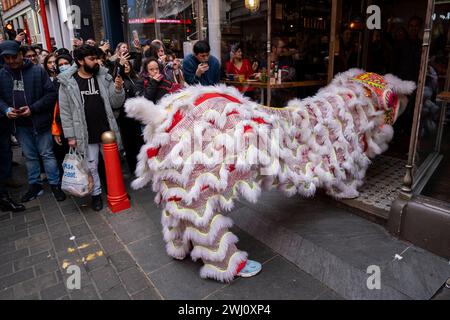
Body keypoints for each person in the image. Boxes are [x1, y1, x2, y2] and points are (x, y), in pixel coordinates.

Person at [58, 44, 125, 211]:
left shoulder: (103, 76)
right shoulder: (68, 82)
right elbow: (65, 111)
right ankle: (96, 194)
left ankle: (116, 191)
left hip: (106, 128)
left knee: (113, 163)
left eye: (97, 58)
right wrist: (70, 136)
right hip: (85, 133)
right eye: (92, 59)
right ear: (80, 61)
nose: (97, 62)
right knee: (92, 166)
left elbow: (116, 102)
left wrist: (117, 88)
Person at [0, 40, 66, 203]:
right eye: (6, 58)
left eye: (13, 57)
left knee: (47, 154)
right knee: (30, 157)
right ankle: (35, 186)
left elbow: (51, 95)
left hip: (40, 121)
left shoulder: (37, 71)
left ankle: (55, 184)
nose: (10, 61)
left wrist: (33, 108)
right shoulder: (2, 74)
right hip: (20, 125)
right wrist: (6, 110)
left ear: (21, 54)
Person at [116, 60, 144, 174]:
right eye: (124, 65)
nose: (126, 66)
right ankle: (134, 168)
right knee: (129, 143)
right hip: (126, 116)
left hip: (138, 115)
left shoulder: (136, 78)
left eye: (128, 64)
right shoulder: (119, 80)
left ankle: (143, 166)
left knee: (140, 141)